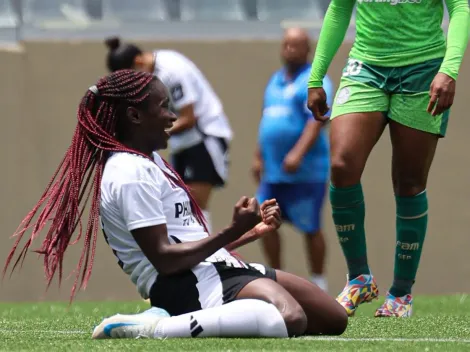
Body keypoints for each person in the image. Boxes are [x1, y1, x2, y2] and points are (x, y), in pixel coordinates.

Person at [3, 70, 348, 339]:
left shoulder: (149, 159)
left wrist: (247, 233)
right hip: (185, 283)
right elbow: (165, 260)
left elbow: (183, 240)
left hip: (213, 267)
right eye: (163, 107)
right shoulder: (128, 172)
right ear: (135, 117)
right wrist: (231, 229)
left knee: (333, 318)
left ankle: (202, 315)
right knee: (290, 317)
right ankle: (154, 327)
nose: (172, 116)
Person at [307, 0, 469, 317]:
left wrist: (449, 70)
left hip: (423, 69)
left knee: (408, 183)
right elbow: (339, 9)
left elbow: (460, 8)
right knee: (341, 165)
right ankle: (358, 278)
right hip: (366, 67)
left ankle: (401, 294)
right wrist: (316, 76)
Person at [103, 36, 233, 234]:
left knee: (195, 206)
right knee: (178, 205)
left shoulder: (171, 70)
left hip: (203, 138)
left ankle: (204, 255)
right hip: (181, 144)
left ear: (138, 63)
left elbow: (189, 118)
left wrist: (146, 135)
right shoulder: (152, 75)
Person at [253, 27, 333, 292]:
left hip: (306, 172)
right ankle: (277, 277)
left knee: (310, 226)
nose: (290, 50)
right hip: (273, 173)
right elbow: (266, 121)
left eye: (297, 45)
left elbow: (317, 120)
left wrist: (298, 152)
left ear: (308, 49)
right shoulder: (274, 80)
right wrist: (258, 156)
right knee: (265, 222)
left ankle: (319, 282)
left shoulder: (313, 80)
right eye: (286, 44)